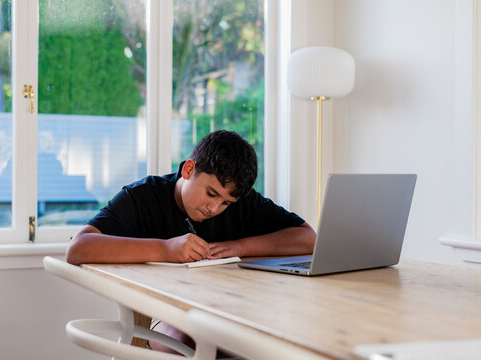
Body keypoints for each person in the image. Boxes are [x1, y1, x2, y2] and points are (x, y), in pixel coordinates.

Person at [66, 130, 316, 354]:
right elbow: (78, 248)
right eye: (211, 193)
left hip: (234, 313)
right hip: (166, 315)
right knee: (198, 344)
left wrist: (242, 246)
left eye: (226, 203)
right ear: (188, 170)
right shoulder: (142, 197)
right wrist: (165, 249)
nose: (214, 208)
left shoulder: (244, 202)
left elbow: (308, 239)